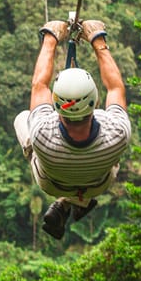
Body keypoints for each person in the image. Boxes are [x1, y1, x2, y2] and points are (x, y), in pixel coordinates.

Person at [13, 18, 131, 239]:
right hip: (98, 183)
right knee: (111, 145)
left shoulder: (42, 133)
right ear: (95, 102)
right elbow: (115, 87)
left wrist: (51, 38)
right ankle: (77, 200)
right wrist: (98, 40)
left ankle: (68, 199)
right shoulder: (117, 132)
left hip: (52, 184)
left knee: (23, 118)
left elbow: (39, 85)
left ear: (57, 105)